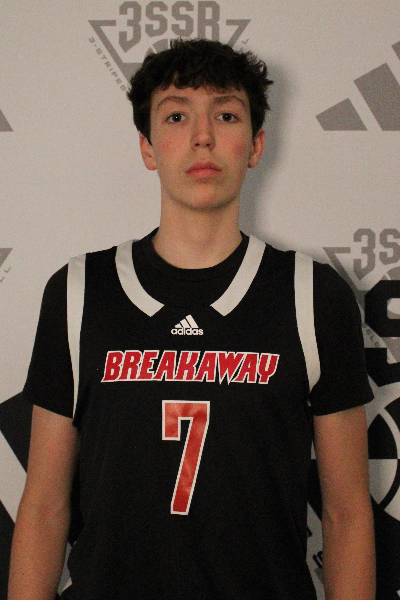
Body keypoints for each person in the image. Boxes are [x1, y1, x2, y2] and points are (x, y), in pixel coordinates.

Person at [9, 38, 375, 600]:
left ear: (255, 145)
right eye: (177, 116)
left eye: (226, 115)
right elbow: (44, 506)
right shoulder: (80, 291)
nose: (203, 136)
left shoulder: (312, 295)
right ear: (148, 146)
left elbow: (347, 513)